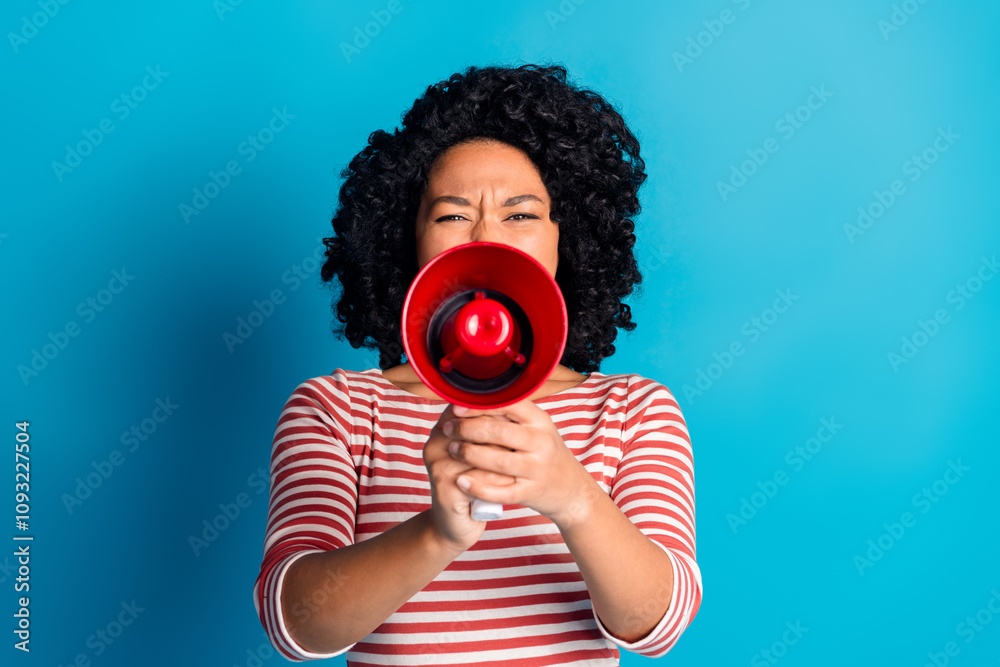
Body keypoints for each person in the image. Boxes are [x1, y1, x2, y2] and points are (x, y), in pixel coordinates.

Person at [253, 63, 702, 665]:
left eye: (519, 214)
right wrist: (437, 533)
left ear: (564, 239)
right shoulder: (338, 411)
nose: (485, 236)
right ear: (403, 239)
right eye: (451, 215)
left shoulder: (633, 411)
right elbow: (297, 626)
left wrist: (572, 496)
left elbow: (657, 624)